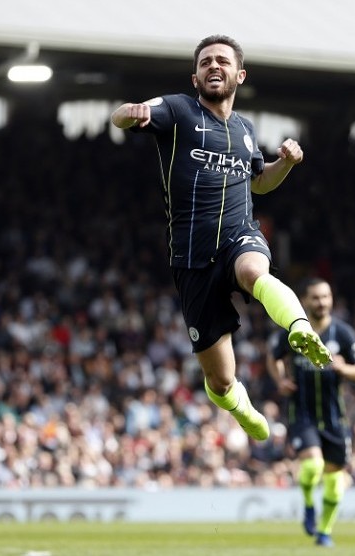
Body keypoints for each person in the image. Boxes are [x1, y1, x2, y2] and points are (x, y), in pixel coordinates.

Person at [110, 35, 332, 442]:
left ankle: (299, 325)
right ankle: (240, 404)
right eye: (206, 62)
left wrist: (285, 163)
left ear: (239, 75)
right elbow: (120, 116)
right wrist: (130, 112)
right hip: (192, 257)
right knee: (221, 379)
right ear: (194, 77)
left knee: (252, 269)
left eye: (222, 61)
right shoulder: (177, 109)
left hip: (238, 235)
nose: (214, 66)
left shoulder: (246, 130)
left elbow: (260, 184)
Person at [268, 277, 355, 547]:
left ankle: (324, 532)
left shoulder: (343, 334)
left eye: (326, 297)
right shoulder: (293, 332)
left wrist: (343, 368)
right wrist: (280, 380)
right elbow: (273, 356)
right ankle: (308, 506)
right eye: (316, 297)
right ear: (304, 300)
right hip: (302, 414)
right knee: (313, 464)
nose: (322, 302)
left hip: (335, 417)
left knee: (335, 481)